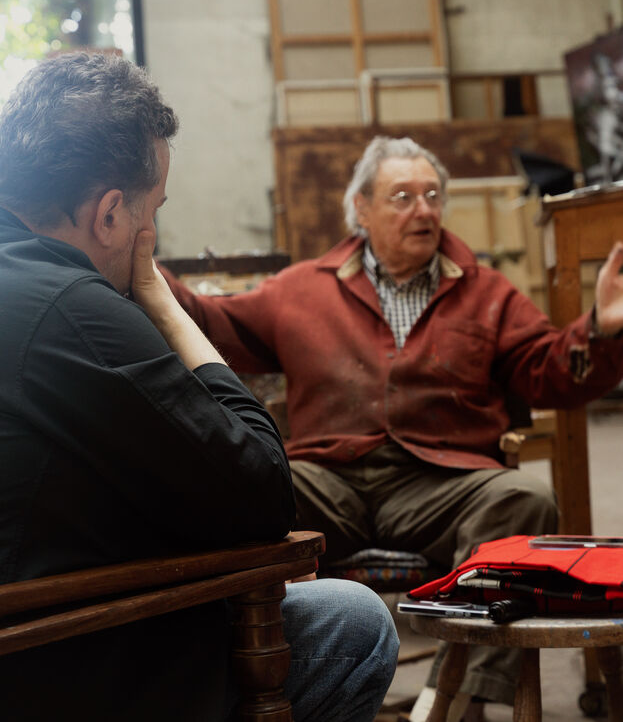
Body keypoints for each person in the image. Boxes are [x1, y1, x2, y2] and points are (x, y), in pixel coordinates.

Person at [161, 134, 623, 721]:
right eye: (402, 196)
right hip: (328, 477)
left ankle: (456, 695)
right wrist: (143, 266)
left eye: (432, 196)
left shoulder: (485, 292)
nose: (423, 210)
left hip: (442, 480)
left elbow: (550, 371)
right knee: (241, 487)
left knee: (524, 497)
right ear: (362, 209)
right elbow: (208, 322)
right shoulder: (302, 288)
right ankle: (256, 681)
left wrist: (603, 328)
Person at [0, 52, 399, 722]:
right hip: (47, 658)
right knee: (352, 623)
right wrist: (159, 300)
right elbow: (264, 491)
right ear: (109, 216)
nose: (150, 233)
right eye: (153, 210)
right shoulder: (73, 307)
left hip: (35, 609)